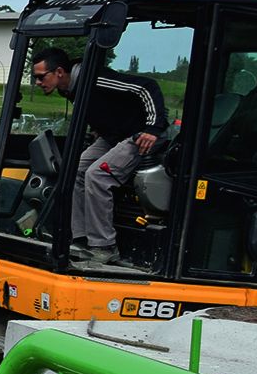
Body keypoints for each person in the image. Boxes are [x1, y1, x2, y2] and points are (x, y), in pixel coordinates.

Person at [30, 46, 166, 262]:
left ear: (59, 72)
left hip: (137, 136)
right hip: (112, 136)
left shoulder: (95, 79)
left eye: (40, 77)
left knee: (97, 175)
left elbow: (146, 88)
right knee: (72, 170)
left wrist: (153, 128)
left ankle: (105, 246)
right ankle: (81, 238)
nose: (37, 83)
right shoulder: (69, 88)